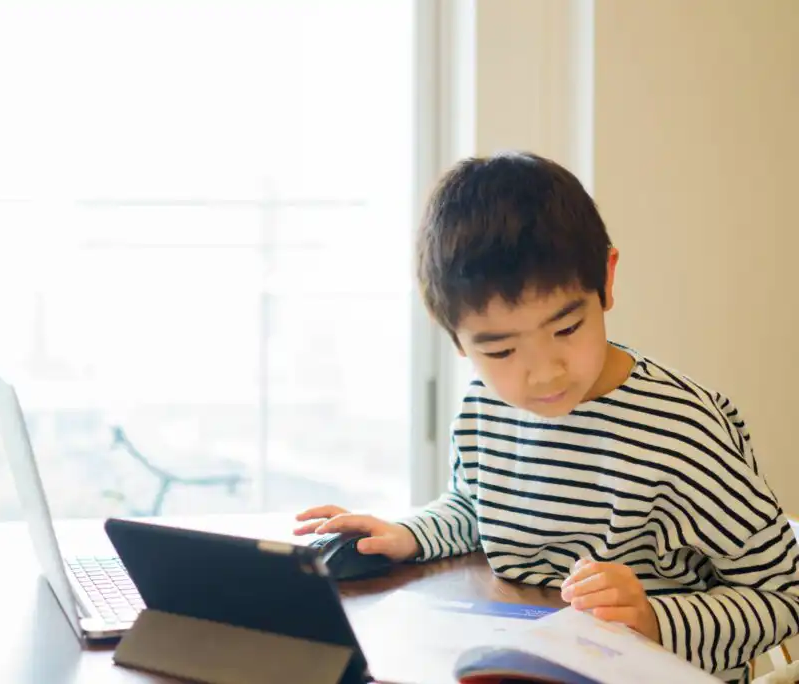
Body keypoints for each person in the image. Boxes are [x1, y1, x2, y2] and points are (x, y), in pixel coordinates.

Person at [294, 151, 799, 683]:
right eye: (502, 352)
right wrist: (408, 534)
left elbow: (784, 595)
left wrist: (655, 618)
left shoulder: (683, 433)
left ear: (606, 280)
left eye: (565, 330)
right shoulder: (484, 407)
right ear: (455, 339)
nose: (542, 375)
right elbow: (477, 506)